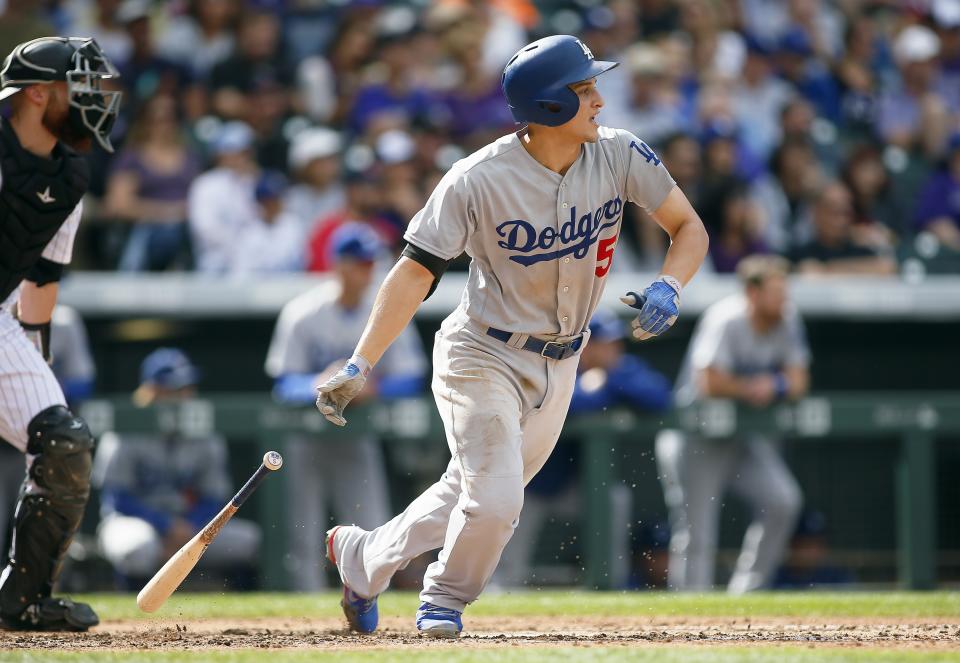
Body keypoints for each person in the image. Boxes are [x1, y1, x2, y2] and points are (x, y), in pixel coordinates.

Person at [318, 35, 707, 637]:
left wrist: (671, 286)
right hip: (483, 353)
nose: (600, 99)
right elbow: (415, 272)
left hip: (562, 362)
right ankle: (444, 599)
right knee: (496, 502)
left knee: (466, 496)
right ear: (550, 106)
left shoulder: (620, 153)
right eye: (584, 90)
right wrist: (359, 362)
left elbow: (687, 227)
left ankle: (362, 557)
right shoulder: (475, 178)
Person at [0, 36, 120, 631]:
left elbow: (41, 278)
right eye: (82, 87)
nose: (96, 98)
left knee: (64, 444)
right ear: (37, 94)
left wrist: (35, 362)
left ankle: (23, 603)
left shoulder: (71, 173)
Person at [265, 223, 427, 591]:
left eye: (371, 263)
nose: (367, 271)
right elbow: (282, 382)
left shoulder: (386, 308)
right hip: (306, 437)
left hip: (357, 435)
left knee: (370, 525)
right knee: (301, 533)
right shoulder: (303, 312)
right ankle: (300, 615)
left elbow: (412, 376)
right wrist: (319, 383)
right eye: (359, 263)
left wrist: (373, 385)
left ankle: (365, 599)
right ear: (339, 265)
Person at [655, 255, 807, 594]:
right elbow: (709, 381)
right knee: (697, 531)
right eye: (775, 291)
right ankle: (689, 614)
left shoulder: (787, 319)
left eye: (785, 290)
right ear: (752, 293)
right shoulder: (726, 317)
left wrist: (775, 386)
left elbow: (799, 380)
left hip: (740, 436)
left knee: (783, 500)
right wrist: (751, 387)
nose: (783, 299)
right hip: (696, 434)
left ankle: (748, 592)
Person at [494, 309, 672, 589]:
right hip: (530, 479)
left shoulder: (619, 370)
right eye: (604, 343)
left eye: (614, 343)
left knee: (614, 498)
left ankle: (611, 582)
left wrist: (609, 379)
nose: (613, 349)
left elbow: (660, 396)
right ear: (585, 345)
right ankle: (501, 588)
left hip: (574, 485)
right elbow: (569, 405)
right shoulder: (555, 360)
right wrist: (592, 389)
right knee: (508, 533)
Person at [93, 348, 261, 589]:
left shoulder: (205, 433)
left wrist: (190, 527)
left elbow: (215, 497)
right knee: (137, 548)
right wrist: (166, 525)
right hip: (135, 522)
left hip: (192, 525)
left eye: (188, 387)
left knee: (249, 542)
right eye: (175, 389)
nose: (186, 395)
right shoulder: (125, 429)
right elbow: (117, 498)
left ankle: (238, 615)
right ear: (152, 391)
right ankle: (131, 618)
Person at [790, 181, 897, 275]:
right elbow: (781, 266)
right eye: (834, 212)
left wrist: (826, 269)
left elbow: (887, 268)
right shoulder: (800, 253)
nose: (841, 221)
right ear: (816, 213)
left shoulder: (861, 251)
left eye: (845, 213)